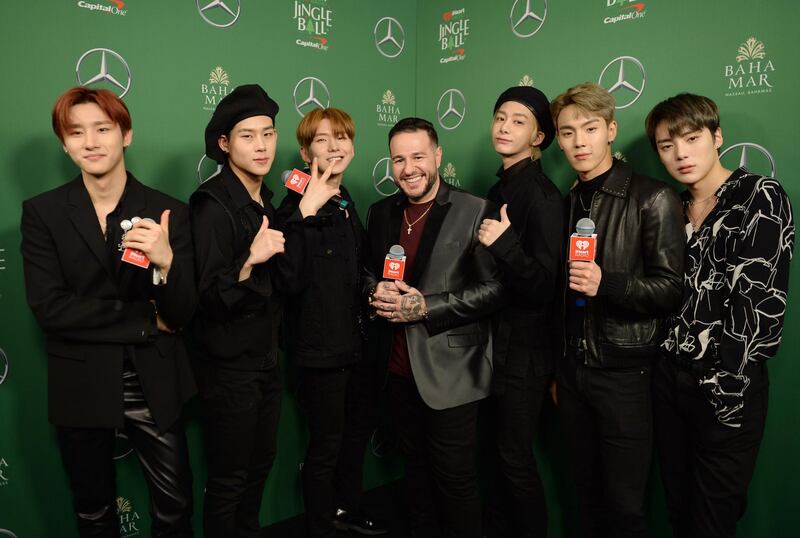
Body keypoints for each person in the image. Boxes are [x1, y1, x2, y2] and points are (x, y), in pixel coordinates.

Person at [21, 86, 195, 537]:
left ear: (127, 134)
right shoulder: (42, 213)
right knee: (94, 511)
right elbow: (50, 309)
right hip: (80, 381)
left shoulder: (168, 212)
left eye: (103, 129)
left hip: (154, 379)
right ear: (64, 143)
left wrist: (166, 262)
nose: (91, 142)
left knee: (175, 510)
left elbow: (181, 314)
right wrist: (141, 318)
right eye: (76, 132)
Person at [646, 93, 794, 538]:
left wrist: (724, 385)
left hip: (730, 385)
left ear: (717, 137)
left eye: (692, 139)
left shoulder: (760, 197)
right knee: (677, 510)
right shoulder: (667, 207)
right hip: (667, 382)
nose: (681, 153)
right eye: (666, 145)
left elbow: (762, 306)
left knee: (712, 523)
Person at [550, 82, 685, 537]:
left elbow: (670, 290)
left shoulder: (653, 197)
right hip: (571, 374)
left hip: (626, 375)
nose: (578, 142)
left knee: (626, 507)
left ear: (610, 130)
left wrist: (606, 282)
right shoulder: (565, 203)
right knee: (580, 496)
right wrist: (560, 369)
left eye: (589, 128)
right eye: (567, 133)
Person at [365, 117, 505, 538]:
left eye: (419, 156)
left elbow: (494, 290)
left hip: (453, 375)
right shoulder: (380, 212)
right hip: (396, 370)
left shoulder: (473, 208)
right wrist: (375, 292)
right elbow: (368, 273)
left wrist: (426, 306)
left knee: (456, 483)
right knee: (416, 479)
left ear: (438, 156)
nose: (409, 168)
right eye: (399, 159)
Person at [274, 108, 385, 537]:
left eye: (342, 137)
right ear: (305, 152)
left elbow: (353, 272)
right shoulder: (291, 209)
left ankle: (349, 511)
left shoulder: (346, 201)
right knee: (324, 449)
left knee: (353, 440)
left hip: (356, 345)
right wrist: (304, 212)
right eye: (323, 140)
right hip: (319, 352)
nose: (335, 146)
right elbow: (288, 280)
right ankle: (321, 526)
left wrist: (375, 290)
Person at [189, 84, 285, 538]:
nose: (262, 145)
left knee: (259, 468)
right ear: (224, 144)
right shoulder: (211, 205)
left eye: (268, 133)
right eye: (248, 136)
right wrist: (250, 260)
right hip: (228, 370)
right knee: (228, 481)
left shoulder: (265, 202)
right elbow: (207, 298)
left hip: (265, 362)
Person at [476, 86, 562, 538]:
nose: (505, 126)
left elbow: (544, 287)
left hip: (525, 355)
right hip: (493, 348)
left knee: (514, 458)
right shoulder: (500, 187)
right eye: (500, 117)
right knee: (491, 457)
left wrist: (504, 244)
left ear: (539, 137)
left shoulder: (543, 197)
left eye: (518, 121)